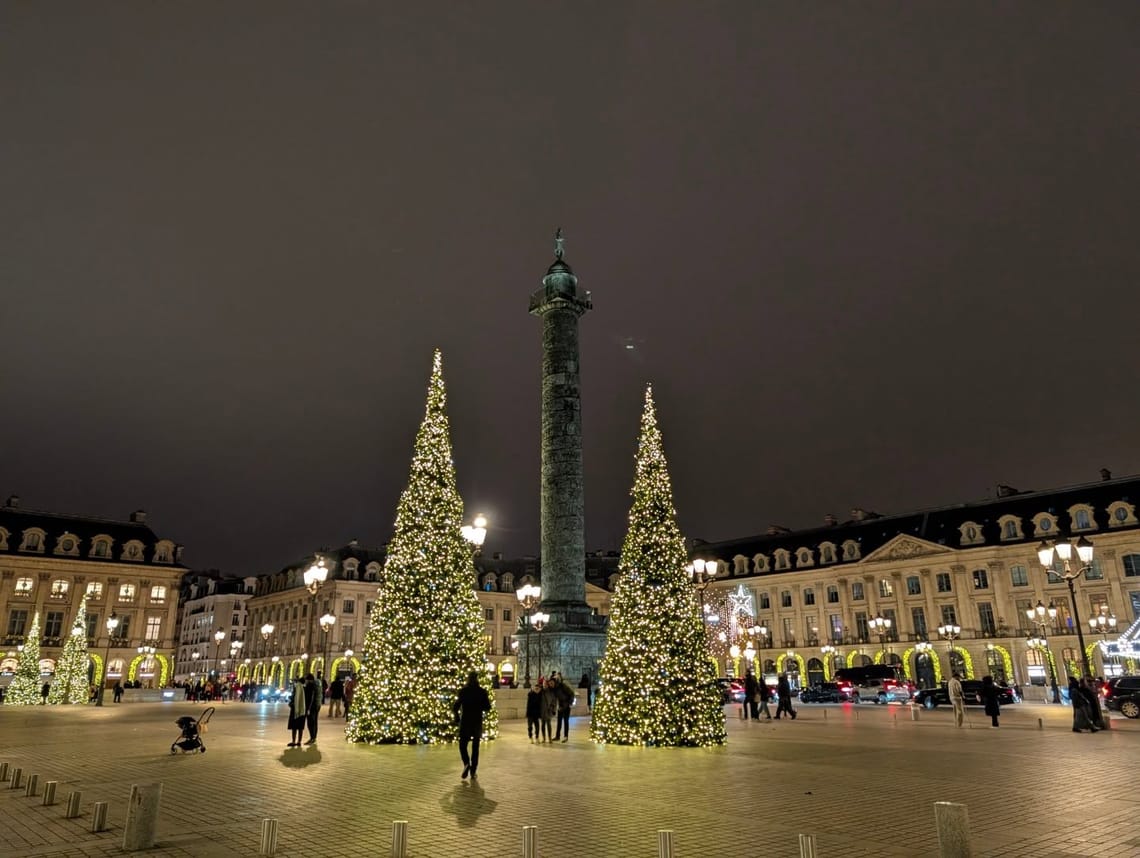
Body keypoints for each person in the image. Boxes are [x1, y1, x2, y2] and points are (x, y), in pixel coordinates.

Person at [452, 671, 491, 779]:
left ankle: (466, 763)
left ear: (468, 679)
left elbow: (455, 706)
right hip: (477, 722)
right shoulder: (482, 692)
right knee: (475, 748)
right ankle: (473, 771)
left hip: (465, 722)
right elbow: (487, 707)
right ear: (477, 679)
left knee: (462, 745)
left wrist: (457, 716)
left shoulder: (463, 691)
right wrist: (480, 705)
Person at [553, 673, 575, 742]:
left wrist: (569, 703)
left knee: (566, 721)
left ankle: (566, 736)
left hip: (566, 705)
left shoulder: (563, 686)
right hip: (560, 705)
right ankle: (557, 736)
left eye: (557, 679)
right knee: (559, 721)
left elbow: (571, 693)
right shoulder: (555, 688)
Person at [287, 676, 307, 747]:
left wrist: (291, 702)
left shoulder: (296, 687)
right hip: (302, 710)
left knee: (294, 726)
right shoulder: (305, 688)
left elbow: (293, 698)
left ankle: (293, 741)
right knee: (300, 727)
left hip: (295, 709)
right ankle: (299, 741)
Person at [303, 673, 322, 744]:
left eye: (306, 680)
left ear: (309, 680)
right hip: (317, 705)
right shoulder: (318, 685)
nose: (305, 681)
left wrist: (308, 708)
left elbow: (311, 697)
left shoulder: (310, 685)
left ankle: (312, 738)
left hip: (312, 706)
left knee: (310, 723)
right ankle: (314, 737)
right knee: (315, 722)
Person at [539, 678, 558, 743]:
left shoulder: (551, 692)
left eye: (545, 684)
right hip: (542, 710)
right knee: (543, 724)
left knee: (548, 724)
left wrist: (553, 709)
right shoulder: (540, 691)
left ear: (547, 685)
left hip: (548, 710)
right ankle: (543, 738)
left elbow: (554, 701)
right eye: (543, 684)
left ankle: (549, 738)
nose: (544, 685)